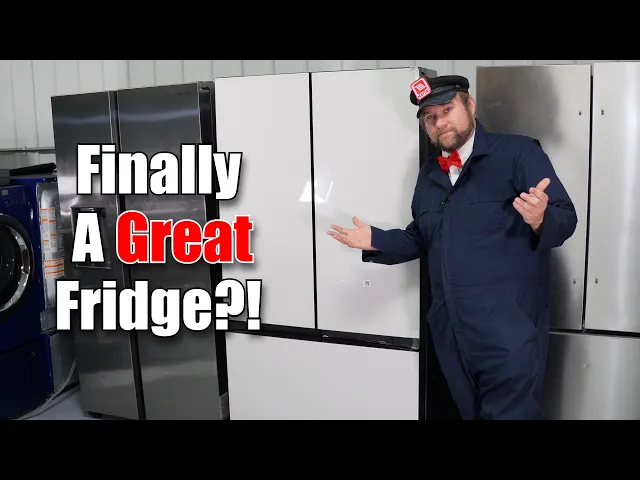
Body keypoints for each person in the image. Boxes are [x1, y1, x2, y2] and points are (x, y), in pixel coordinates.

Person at [328, 74, 577, 420]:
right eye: (430, 117)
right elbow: (423, 237)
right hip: (451, 331)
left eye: (447, 110)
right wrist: (375, 240)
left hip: (508, 330)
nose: (440, 122)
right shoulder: (428, 175)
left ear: (470, 105)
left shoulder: (518, 153)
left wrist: (540, 217)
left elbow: (566, 218)